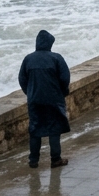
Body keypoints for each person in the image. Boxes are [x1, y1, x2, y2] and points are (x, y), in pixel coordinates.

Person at [19, 29, 71, 169]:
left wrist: (29, 93)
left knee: (35, 128)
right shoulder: (56, 58)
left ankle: (33, 160)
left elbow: (22, 79)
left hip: (34, 100)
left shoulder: (28, 59)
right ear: (49, 44)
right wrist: (62, 92)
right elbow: (65, 78)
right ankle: (55, 159)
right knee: (54, 128)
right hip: (53, 99)